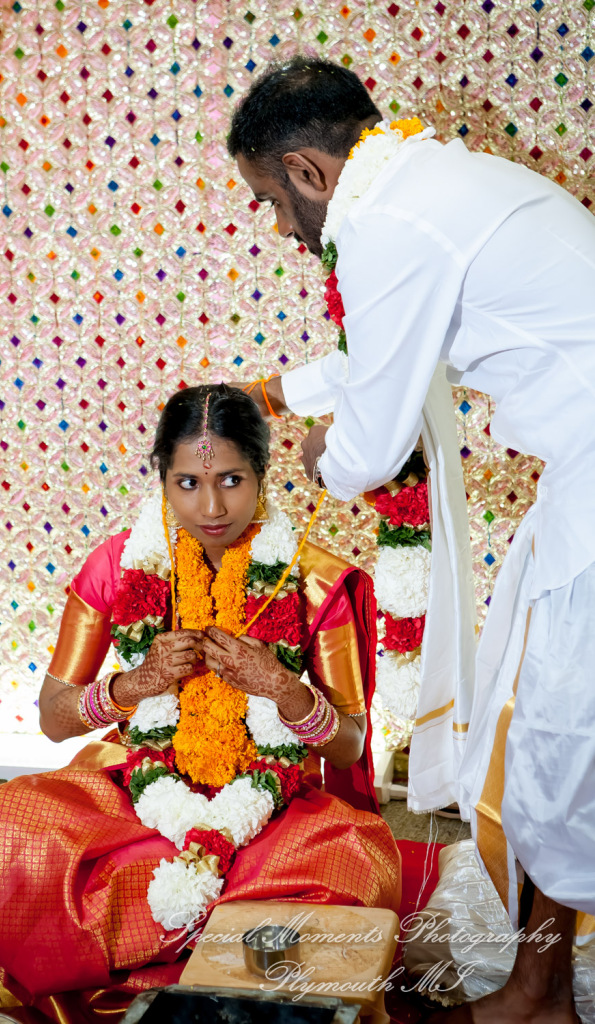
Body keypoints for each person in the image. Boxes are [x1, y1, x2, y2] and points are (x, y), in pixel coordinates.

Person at [227, 55, 595, 1024]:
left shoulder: (389, 224)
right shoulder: (423, 187)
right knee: (552, 747)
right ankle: (539, 986)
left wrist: (314, 452)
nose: (278, 226)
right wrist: (271, 394)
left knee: (559, 750)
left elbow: (367, 446)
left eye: (270, 200)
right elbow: (380, 355)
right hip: (581, 480)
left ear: (308, 170)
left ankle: (538, 993)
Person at [0, 383, 401, 1023]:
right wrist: (134, 686)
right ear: (163, 478)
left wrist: (283, 690)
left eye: (231, 479)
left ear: (262, 473)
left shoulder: (316, 579)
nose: (210, 505)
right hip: (139, 793)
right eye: (187, 483)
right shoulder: (121, 565)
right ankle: (200, 944)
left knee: (357, 864)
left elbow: (348, 741)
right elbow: (52, 717)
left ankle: (154, 949)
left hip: (276, 805)